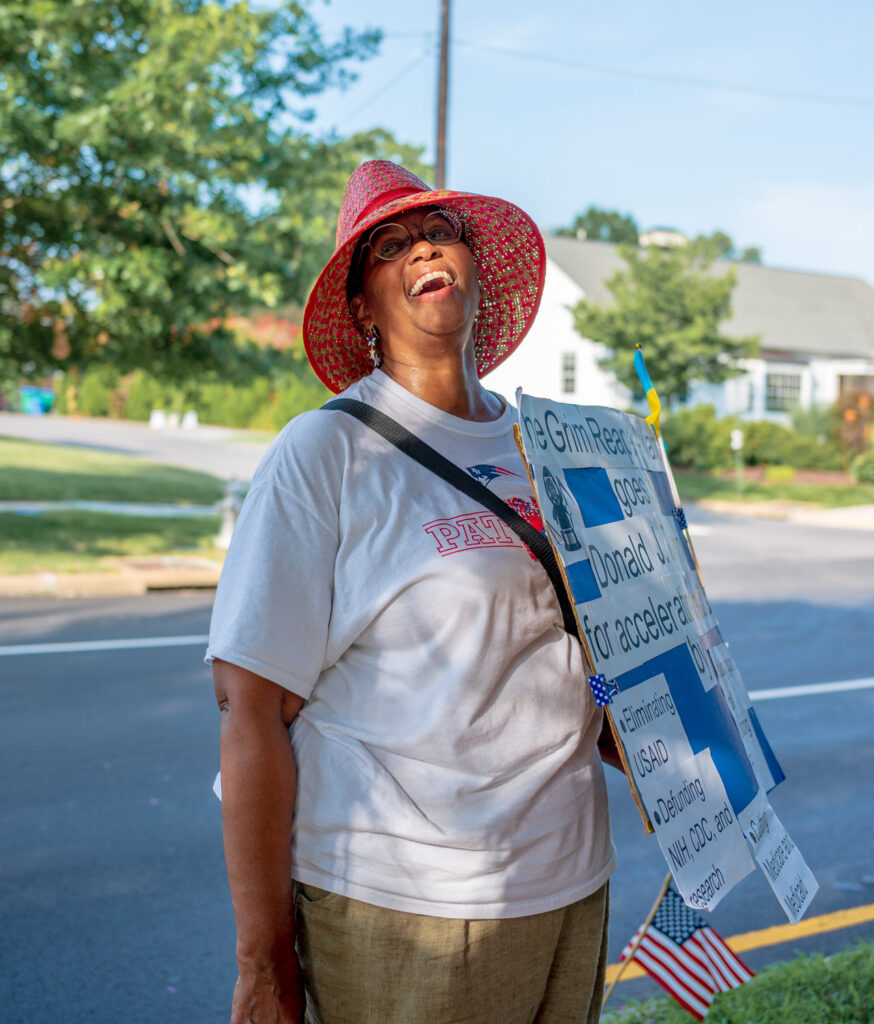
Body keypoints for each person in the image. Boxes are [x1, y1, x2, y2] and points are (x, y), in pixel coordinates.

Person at [207, 161, 616, 1024]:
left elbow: (598, 656)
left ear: (472, 266)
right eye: (388, 246)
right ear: (362, 307)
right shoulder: (326, 454)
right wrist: (263, 960)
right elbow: (250, 713)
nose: (424, 248)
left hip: (570, 878)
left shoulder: (550, 445)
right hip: (405, 902)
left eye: (441, 233)